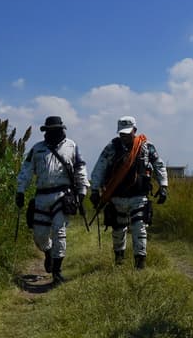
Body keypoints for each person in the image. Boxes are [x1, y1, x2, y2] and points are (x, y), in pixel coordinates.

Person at [16, 115, 90, 284]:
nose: (52, 133)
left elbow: (80, 170)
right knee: (39, 236)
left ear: (61, 130)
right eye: (49, 131)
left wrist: (82, 192)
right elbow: (26, 170)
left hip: (63, 196)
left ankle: (57, 272)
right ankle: (48, 251)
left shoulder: (71, 146)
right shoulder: (37, 149)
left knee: (59, 232)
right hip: (41, 196)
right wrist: (20, 190)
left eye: (55, 130)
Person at [89, 115, 168, 269]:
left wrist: (163, 186)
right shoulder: (111, 148)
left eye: (127, 133)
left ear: (134, 130)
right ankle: (119, 260)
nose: (124, 136)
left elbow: (159, 165)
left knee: (139, 229)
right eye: (121, 133)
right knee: (118, 230)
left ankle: (140, 264)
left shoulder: (146, 147)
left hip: (139, 196)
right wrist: (94, 190)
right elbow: (99, 168)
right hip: (116, 197)